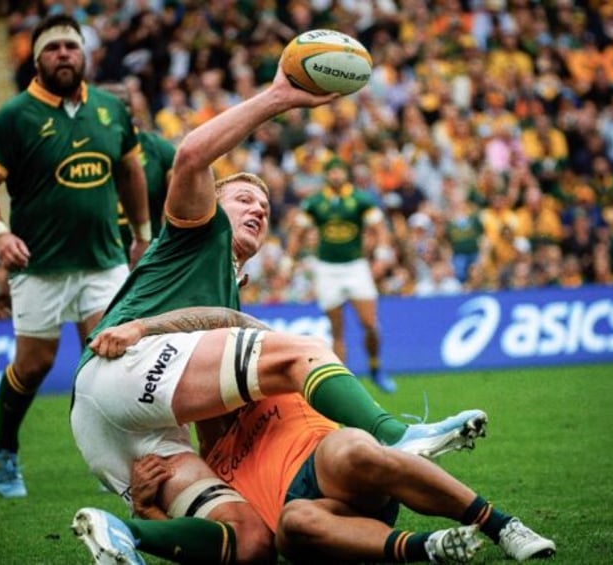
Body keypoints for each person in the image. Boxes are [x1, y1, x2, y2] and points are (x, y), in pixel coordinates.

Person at [69, 66, 487, 563]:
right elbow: (191, 155)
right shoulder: (198, 232)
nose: (258, 209)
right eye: (243, 198)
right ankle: (397, 435)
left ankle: (122, 534)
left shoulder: (229, 289)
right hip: (122, 368)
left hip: (122, 430)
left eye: (265, 206)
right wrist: (278, 98)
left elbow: (215, 431)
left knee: (251, 542)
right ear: (211, 205)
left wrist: (147, 507)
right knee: (303, 352)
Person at [72, 307, 555, 564]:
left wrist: (145, 327)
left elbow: (226, 320)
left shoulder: (266, 379)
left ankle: (501, 526)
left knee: (348, 450)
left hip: (335, 464)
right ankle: (427, 548)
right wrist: (145, 505)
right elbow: (223, 540)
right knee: (292, 526)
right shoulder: (206, 470)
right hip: (318, 518)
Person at [0, 13, 151, 498]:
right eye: (53, 48)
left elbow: (131, 171)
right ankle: (5, 450)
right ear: (36, 58)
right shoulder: (15, 116)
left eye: (71, 45)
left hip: (103, 262)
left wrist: (142, 233)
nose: (64, 54)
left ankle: (120, 466)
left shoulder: (111, 110)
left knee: (108, 361)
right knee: (33, 367)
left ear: (85, 53)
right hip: (38, 266)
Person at [288, 156, 397, 392]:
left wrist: (382, 252)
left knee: (369, 323)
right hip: (326, 268)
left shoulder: (360, 199)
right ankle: (345, 384)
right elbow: (298, 231)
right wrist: (289, 259)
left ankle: (375, 367)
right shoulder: (315, 202)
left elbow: (379, 228)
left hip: (355, 266)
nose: (336, 176)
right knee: (337, 329)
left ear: (345, 174)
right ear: (327, 175)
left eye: (339, 172)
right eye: (332, 172)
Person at [98, 81, 176, 258]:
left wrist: (163, 253)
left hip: (147, 259)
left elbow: (175, 212)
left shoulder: (160, 151)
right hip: (98, 258)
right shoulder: (81, 148)